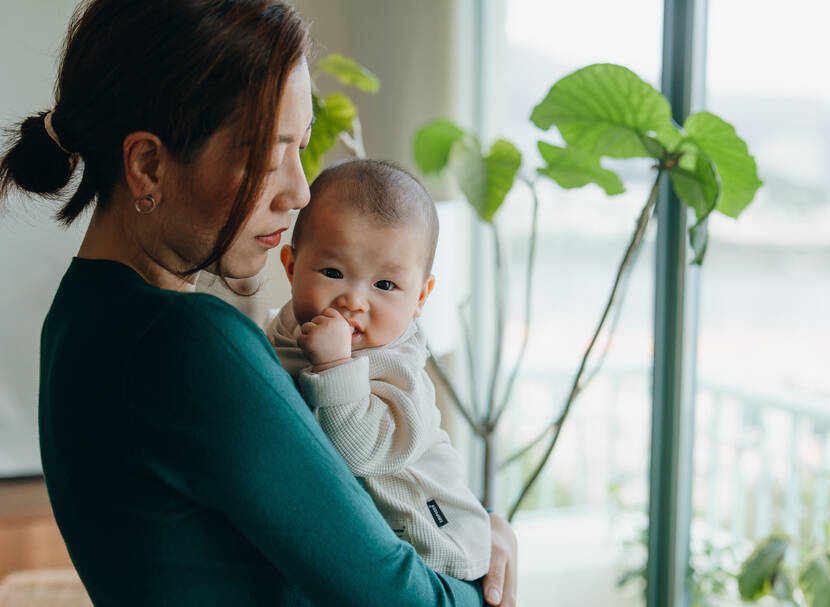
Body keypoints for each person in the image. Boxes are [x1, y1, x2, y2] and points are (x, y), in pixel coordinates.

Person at [0, 1, 517, 606]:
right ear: (147, 166)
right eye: (271, 157)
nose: (298, 192)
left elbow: (332, 495)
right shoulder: (191, 344)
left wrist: (466, 518)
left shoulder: (83, 313)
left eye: (302, 149)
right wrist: (477, 579)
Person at [267, 159, 490, 581]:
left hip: (437, 548)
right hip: (363, 548)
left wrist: (335, 366)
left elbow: (360, 452)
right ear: (292, 269)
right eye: (333, 273)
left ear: (420, 297)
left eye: (385, 285)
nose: (353, 300)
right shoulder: (283, 330)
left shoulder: (399, 368)